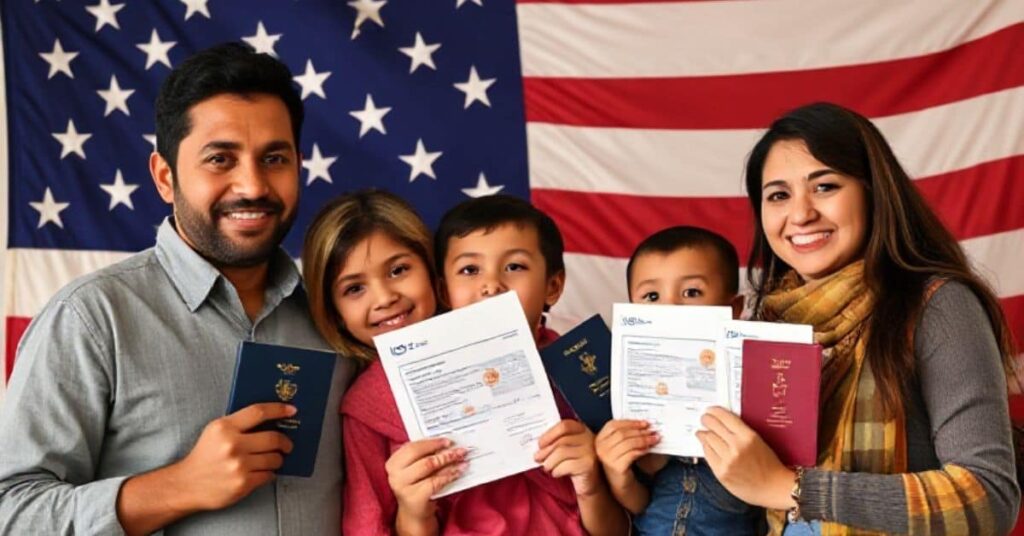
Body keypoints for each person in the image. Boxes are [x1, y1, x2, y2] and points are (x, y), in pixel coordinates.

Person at [0, 43, 354, 535]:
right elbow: (11, 512)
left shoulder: (339, 312)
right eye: (219, 159)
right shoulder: (91, 318)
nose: (252, 185)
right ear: (165, 177)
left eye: (274, 158)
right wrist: (180, 486)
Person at [695, 102, 1020, 535]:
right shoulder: (770, 323)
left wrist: (790, 488)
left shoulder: (938, 306)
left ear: (873, 191)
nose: (800, 214)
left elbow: (990, 497)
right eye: (778, 195)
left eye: (825, 186)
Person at [302, 191, 627, 535]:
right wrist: (414, 514)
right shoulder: (367, 406)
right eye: (354, 288)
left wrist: (592, 480)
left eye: (399, 270)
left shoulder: (577, 363)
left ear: (432, 277)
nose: (385, 298)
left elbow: (635, 514)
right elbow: (367, 526)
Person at [595, 225, 763, 535]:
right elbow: (637, 504)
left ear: (733, 309)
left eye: (691, 292)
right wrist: (619, 474)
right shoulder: (623, 390)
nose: (669, 308)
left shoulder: (756, 387)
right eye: (652, 296)